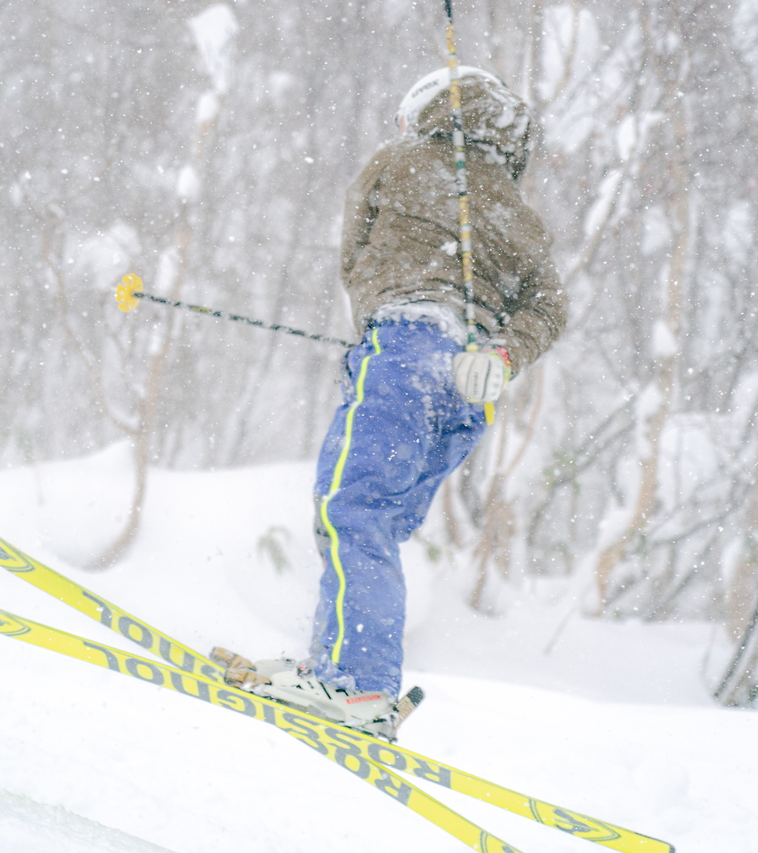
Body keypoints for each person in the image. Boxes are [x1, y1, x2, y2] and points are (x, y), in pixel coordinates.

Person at [214, 67, 567, 739]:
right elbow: (551, 307)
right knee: (375, 523)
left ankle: (355, 685)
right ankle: (336, 666)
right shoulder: (519, 216)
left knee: (350, 511)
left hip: (403, 354)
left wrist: (387, 312)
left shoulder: (399, 161)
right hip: (467, 385)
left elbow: (355, 254)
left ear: (423, 113)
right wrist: (501, 353)